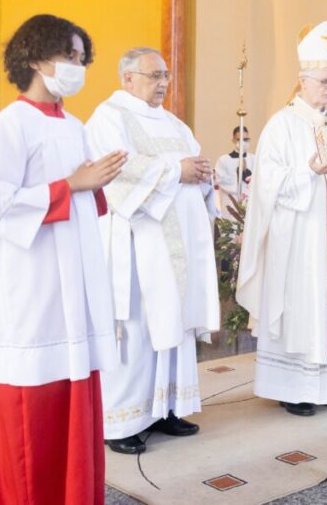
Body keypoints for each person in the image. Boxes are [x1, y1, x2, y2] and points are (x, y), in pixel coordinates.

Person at [0, 14, 127, 505]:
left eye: (82, 58)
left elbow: (83, 198)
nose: (79, 67)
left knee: (73, 397)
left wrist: (95, 184)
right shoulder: (10, 125)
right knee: (31, 413)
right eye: (69, 56)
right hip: (32, 286)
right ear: (35, 59)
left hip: (73, 282)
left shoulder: (75, 126)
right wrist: (71, 185)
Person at [85, 47, 221, 454]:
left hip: (176, 245)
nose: (163, 83)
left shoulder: (174, 123)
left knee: (173, 320)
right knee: (139, 327)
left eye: (165, 75)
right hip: (136, 242)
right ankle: (122, 420)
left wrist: (203, 174)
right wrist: (177, 170)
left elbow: (192, 164)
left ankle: (166, 408)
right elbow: (116, 171)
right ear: (127, 78)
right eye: (154, 75)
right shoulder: (109, 117)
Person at [236, 20, 327, 416]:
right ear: (302, 81)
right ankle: (294, 388)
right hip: (299, 239)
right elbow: (266, 182)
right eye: (324, 81)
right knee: (302, 307)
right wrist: (307, 173)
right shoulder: (281, 125)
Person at [214, 126, 255, 218]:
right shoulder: (223, 160)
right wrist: (238, 173)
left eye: (246, 139)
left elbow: (258, 180)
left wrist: (246, 172)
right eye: (239, 139)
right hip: (230, 203)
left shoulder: (254, 159)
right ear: (233, 140)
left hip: (250, 204)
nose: (243, 142)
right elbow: (220, 180)